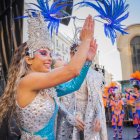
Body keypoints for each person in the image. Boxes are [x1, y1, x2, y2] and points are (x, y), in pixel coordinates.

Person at [0, 12, 96, 140]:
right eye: (44, 53)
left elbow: (73, 85)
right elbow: (71, 70)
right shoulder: (27, 81)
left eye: (50, 54)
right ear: (29, 59)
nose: (50, 59)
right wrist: (86, 40)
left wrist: (87, 62)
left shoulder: (46, 86)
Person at [56, 41, 108, 140]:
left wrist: (99, 117)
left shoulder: (96, 76)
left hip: (90, 119)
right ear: (71, 54)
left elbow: (98, 101)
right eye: (78, 52)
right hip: (69, 118)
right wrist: (70, 117)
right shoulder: (63, 72)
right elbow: (55, 98)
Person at [130, 71, 140, 139]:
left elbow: (135, 95)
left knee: (137, 123)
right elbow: (131, 98)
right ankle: (139, 133)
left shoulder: (138, 94)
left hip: (139, 111)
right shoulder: (135, 94)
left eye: (134, 88)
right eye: (133, 88)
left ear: (137, 89)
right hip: (136, 110)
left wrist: (129, 91)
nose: (133, 89)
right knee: (136, 123)